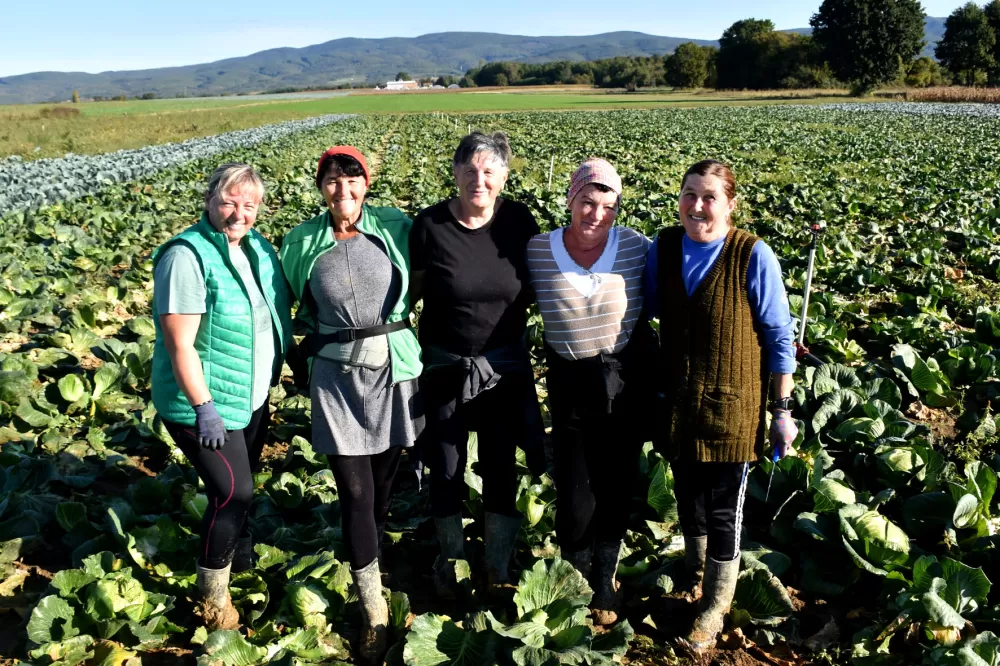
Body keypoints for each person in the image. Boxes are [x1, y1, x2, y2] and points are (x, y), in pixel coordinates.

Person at [644, 159, 799, 651]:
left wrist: (783, 410)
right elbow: (645, 311)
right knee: (687, 499)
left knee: (723, 511)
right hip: (680, 407)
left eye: (710, 196)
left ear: (731, 203)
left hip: (734, 411)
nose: (698, 205)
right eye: (690, 194)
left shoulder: (752, 255)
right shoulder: (664, 249)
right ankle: (695, 569)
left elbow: (778, 337)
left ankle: (713, 606)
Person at [279, 146, 422, 664]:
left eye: (352, 179)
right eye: (332, 182)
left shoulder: (397, 226)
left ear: (367, 182)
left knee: (381, 489)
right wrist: (289, 361)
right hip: (334, 378)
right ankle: (374, 613)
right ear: (320, 188)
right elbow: (283, 306)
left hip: (393, 370)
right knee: (356, 494)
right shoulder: (300, 243)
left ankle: (369, 557)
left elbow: (437, 267)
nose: (343, 191)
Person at [151, 163, 293, 630]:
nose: (238, 213)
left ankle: (241, 558)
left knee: (239, 491)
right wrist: (203, 407)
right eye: (229, 202)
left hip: (249, 395)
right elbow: (180, 344)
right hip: (205, 402)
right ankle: (212, 598)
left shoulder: (255, 250)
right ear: (210, 200)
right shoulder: (187, 256)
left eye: (249, 205)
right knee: (234, 492)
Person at [409, 131, 545, 596]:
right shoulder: (429, 226)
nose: (478, 180)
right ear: (455, 174)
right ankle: (452, 562)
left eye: (489, 172)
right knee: (446, 465)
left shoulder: (519, 222)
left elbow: (532, 287)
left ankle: (496, 565)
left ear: (503, 178)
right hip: (445, 366)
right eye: (469, 171)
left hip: (502, 370)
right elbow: (414, 292)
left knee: (499, 465)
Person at [526, 158, 657, 625]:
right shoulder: (538, 251)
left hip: (622, 379)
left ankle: (605, 578)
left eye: (607, 205)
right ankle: (577, 580)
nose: (595, 214)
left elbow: (679, 297)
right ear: (570, 199)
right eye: (586, 201)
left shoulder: (638, 248)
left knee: (615, 483)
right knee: (575, 489)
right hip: (568, 381)